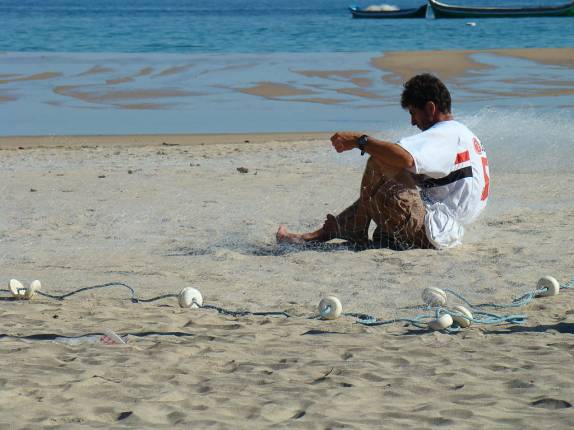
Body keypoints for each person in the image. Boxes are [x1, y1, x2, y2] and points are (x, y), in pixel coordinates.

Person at [276, 73, 490, 250]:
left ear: (431, 109)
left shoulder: (445, 134)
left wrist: (360, 141)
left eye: (414, 113)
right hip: (446, 228)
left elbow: (403, 158)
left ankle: (347, 230)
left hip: (433, 229)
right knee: (388, 170)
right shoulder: (463, 135)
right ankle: (339, 228)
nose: (413, 121)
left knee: (379, 162)